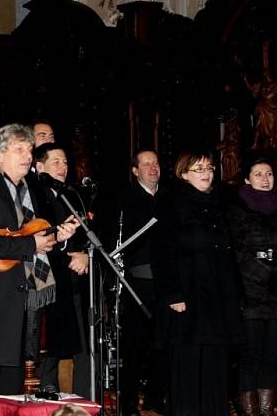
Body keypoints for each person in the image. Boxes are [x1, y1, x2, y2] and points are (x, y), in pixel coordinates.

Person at [0, 123, 78, 416]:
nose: (27, 155)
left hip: (15, 312)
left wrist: (56, 238)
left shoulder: (28, 192)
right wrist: (29, 245)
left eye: (29, 150)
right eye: (19, 149)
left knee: (8, 399)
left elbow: (33, 235)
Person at [151, 150, 245, 416]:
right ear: (183, 174)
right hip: (187, 297)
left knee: (216, 367)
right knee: (188, 366)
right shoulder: (170, 202)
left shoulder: (221, 203)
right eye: (199, 169)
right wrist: (173, 294)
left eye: (210, 168)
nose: (206, 173)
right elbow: (162, 253)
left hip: (217, 298)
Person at [228, 157, 277, 416]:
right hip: (250, 296)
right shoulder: (238, 210)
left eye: (269, 174)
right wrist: (269, 277)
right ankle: (249, 412)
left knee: (271, 359)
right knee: (250, 358)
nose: (265, 179)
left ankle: (266, 411)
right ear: (248, 179)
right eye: (258, 174)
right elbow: (240, 254)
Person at [32, 142, 91, 398]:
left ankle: (84, 402)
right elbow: (34, 238)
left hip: (73, 283)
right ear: (39, 167)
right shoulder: (33, 197)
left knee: (85, 347)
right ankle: (47, 398)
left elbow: (90, 237)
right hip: (44, 283)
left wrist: (85, 255)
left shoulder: (71, 196)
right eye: (56, 162)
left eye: (65, 162)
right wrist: (62, 238)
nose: (63, 167)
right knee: (48, 349)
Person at [111, 149, 165, 415]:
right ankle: (129, 403)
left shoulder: (169, 198)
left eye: (155, 163)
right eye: (146, 164)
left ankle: (156, 398)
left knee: (163, 345)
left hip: (165, 282)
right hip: (136, 284)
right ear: (135, 171)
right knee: (134, 347)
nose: (153, 168)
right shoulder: (125, 200)